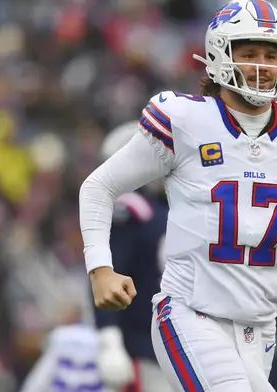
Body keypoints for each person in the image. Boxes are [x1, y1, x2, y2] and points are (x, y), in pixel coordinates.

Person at [78, 1, 277, 391]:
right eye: (249, 54)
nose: (263, 65)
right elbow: (99, 186)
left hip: (260, 328)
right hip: (191, 312)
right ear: (220, 54)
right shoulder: (184, 120)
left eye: (271, 54)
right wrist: (100, 268)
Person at [92, 122, 172, 392]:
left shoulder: (164, 208)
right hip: (143, 344)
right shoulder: (133, 209)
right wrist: (110, 340)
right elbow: (105, 274)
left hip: (178, 338)